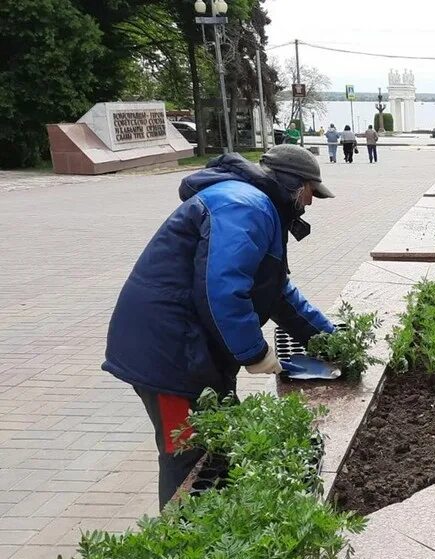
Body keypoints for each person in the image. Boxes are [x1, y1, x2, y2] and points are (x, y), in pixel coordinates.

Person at [102, 145, 337, 508]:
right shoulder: (246, 206)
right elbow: (222, 288)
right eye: (311, 192)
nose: (311, 203)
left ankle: (219, 524)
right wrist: (254, 352)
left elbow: (277, 293)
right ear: (294, 184)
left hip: (192, 350)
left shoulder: (257, 207)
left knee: (222, 442)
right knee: (188, 455)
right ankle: (182, 541)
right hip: (168, 357)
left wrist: (329, 339)